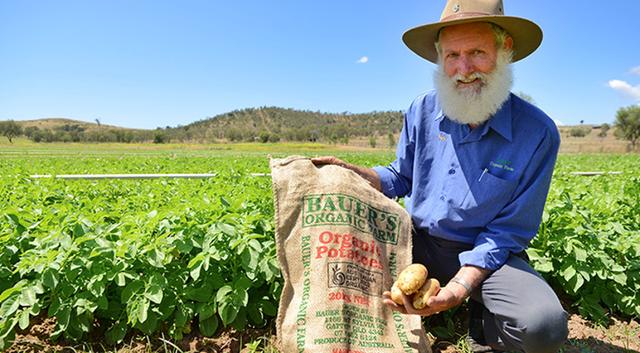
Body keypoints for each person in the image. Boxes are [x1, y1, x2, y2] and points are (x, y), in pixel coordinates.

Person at [312, 1, 568, 352]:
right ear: (439, 57)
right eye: (452, 56)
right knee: (343, 263)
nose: (463, 69)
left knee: (543, 326)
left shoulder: (537, 132)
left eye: (477, 52)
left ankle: (484, 322)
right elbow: (401, 176)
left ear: (505, 49)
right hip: (417, 243)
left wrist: (460, 288)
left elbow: (508, 232)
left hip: (486, 254)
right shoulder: (422, 109)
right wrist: (360, 175)